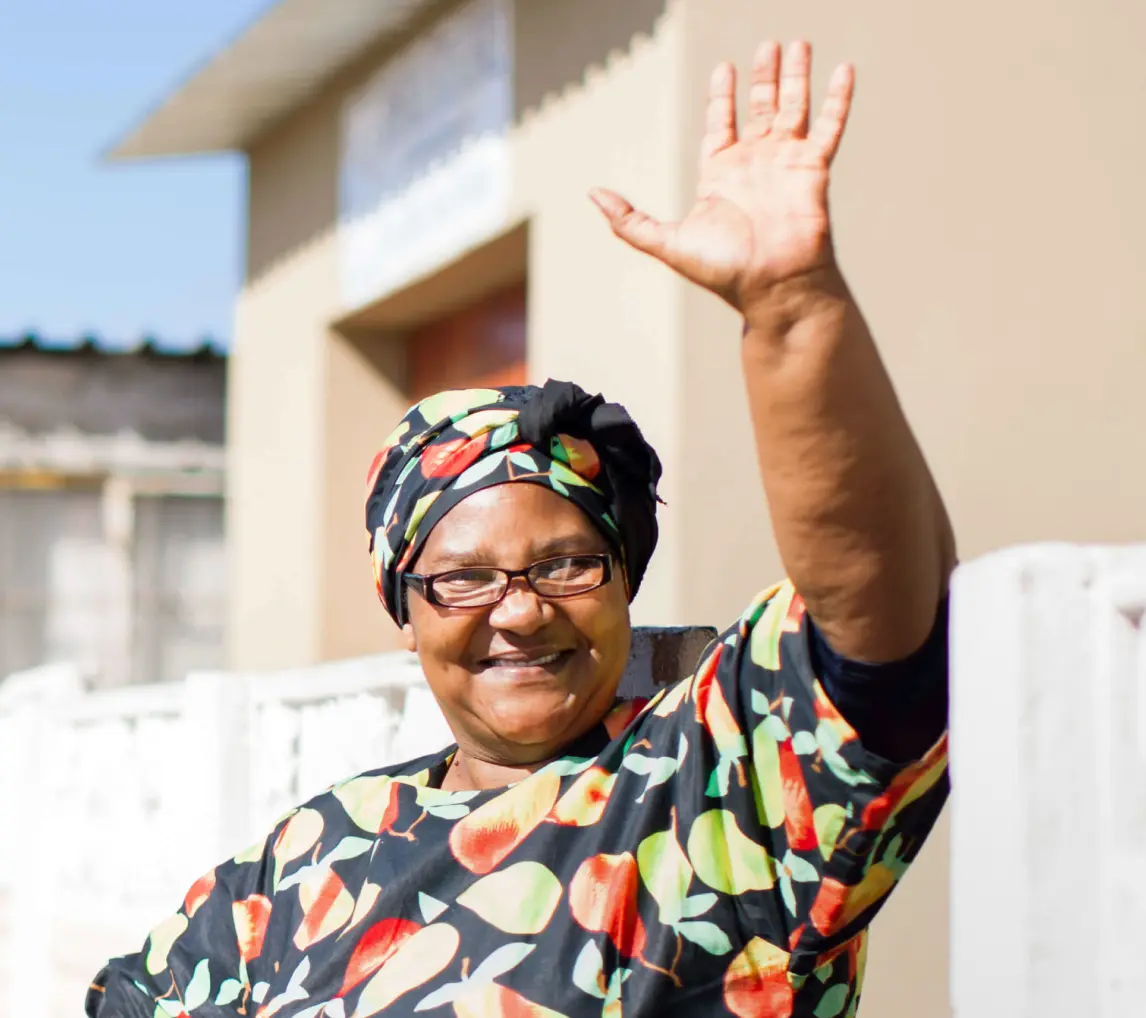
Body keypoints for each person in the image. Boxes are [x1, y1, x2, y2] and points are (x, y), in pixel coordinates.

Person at [88, 40, 954, 1018]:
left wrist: (791, 311)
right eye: (462, 577)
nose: (520, 610)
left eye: (567, 562)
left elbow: (886, 629)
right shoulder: (308, 861)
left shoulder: (701, 798)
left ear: (623, 577)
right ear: (405, 610)